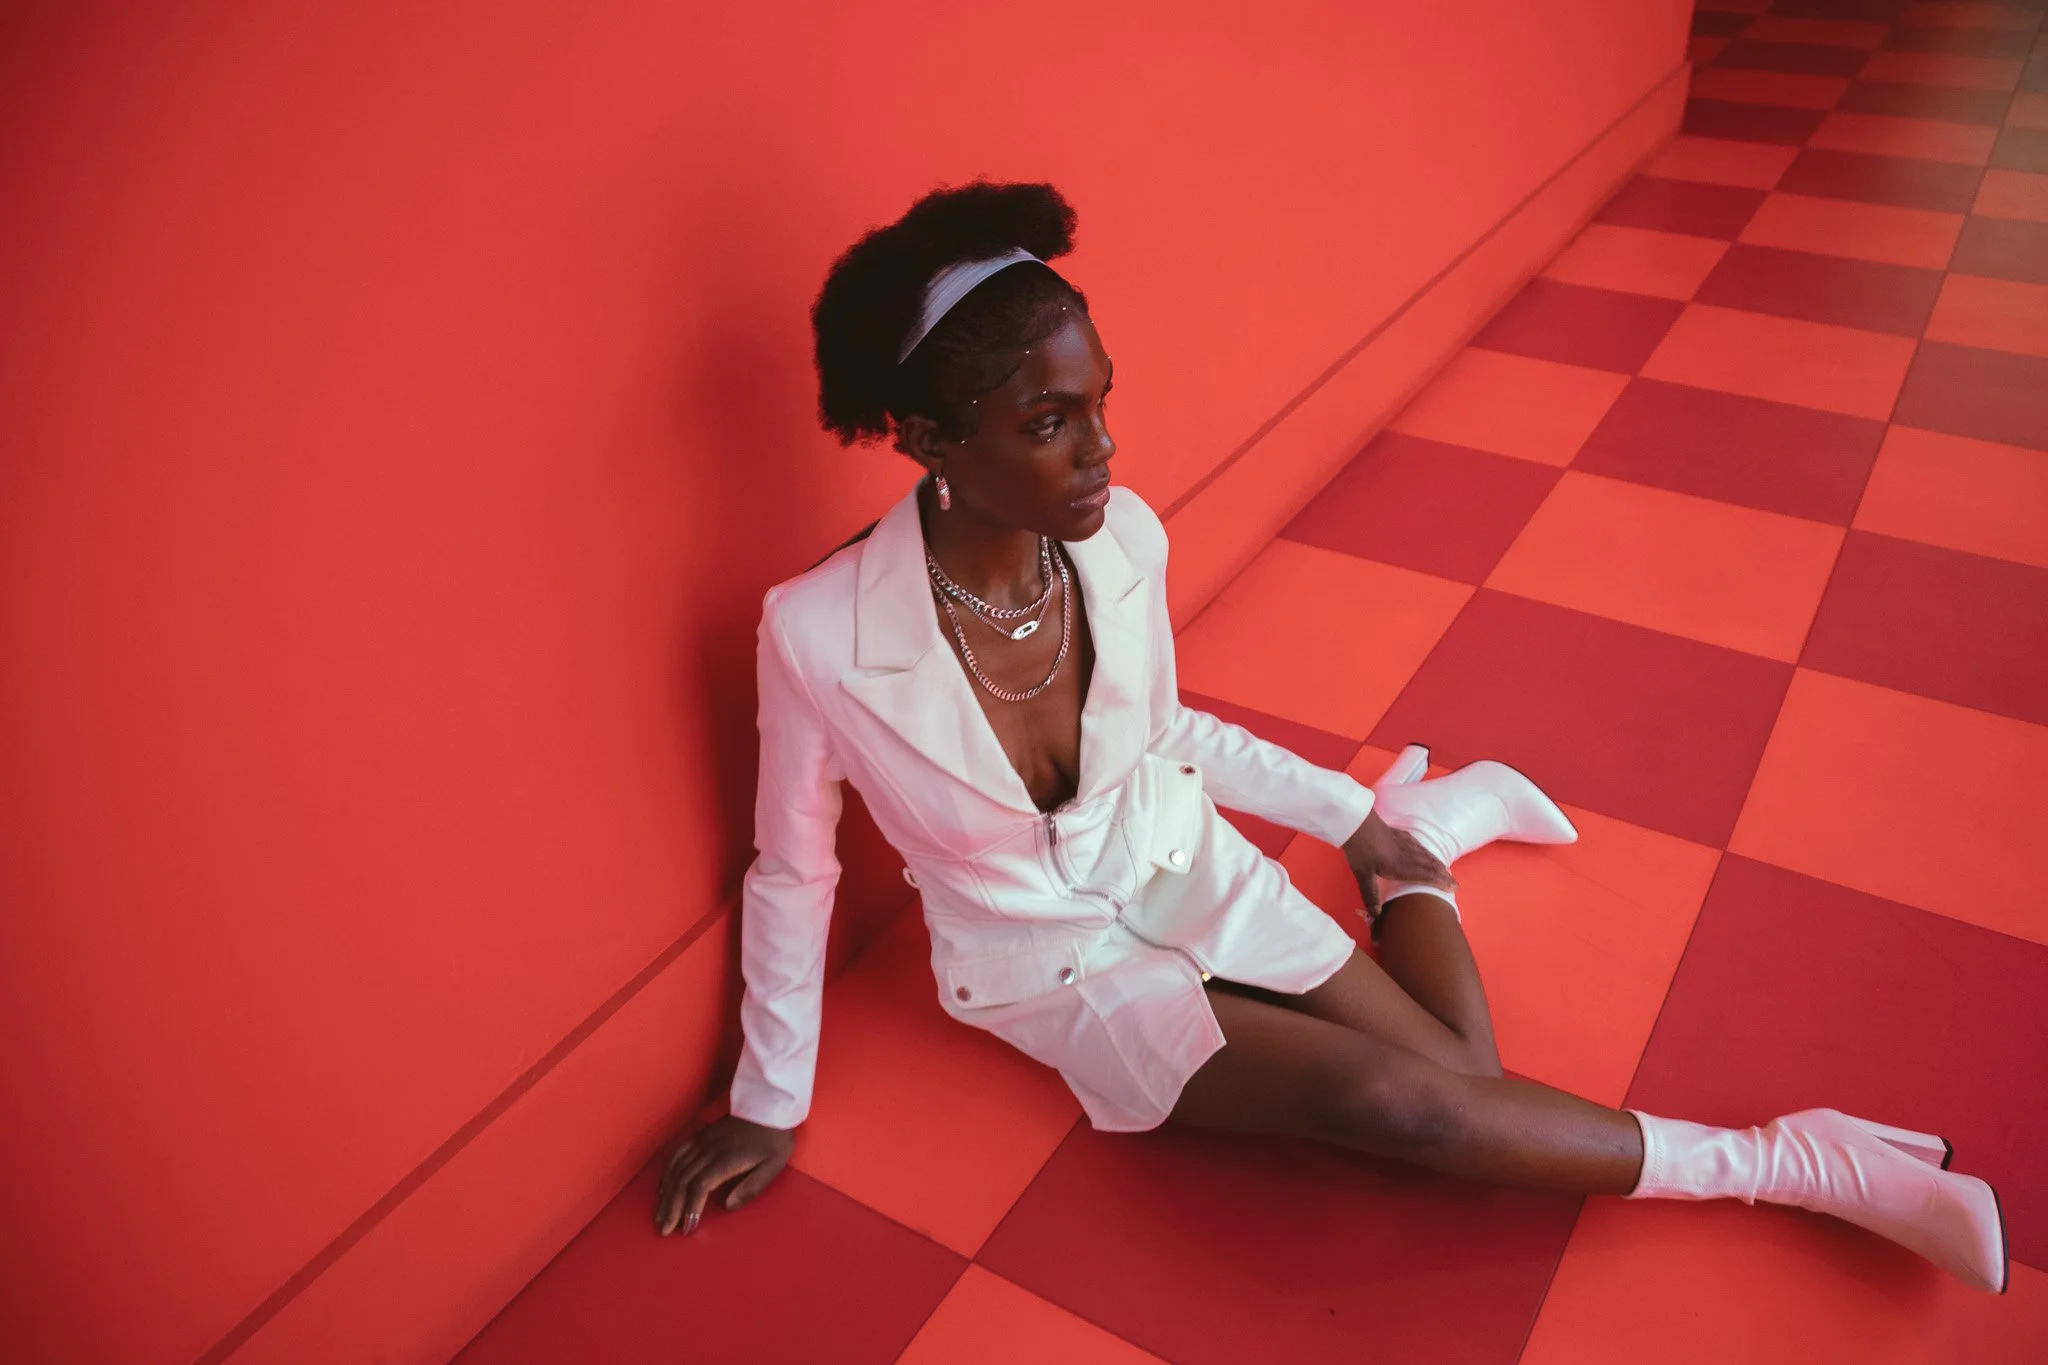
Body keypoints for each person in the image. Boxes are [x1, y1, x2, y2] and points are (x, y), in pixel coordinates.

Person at [652, 180, 2007, 1295]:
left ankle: (1413, 845)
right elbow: (793, 871)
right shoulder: (818, 632)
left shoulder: (1122, 539)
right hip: (1052, 970)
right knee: (1405, 1110)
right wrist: (771, 1096)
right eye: (1049, 424)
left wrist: (1347, 814)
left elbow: (1164, 730)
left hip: (1186, 862)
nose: (1102, 452)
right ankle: (1798, 1162)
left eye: (1101, 402)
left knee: (1457, 1078)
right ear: (935, 439)